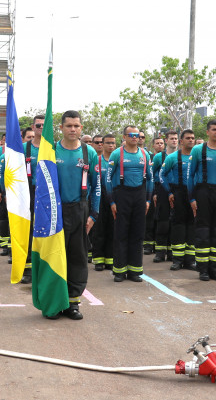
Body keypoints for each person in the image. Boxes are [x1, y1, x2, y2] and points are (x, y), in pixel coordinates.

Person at [51, 110, 100, 319]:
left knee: (77, 258)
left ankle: (72, 303)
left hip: (80, 210)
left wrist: (94, 215)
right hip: (55, 211)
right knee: (54, 257)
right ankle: (53, 303)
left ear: (81, 128)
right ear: (60, 128)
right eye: (69, 125)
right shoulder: (51, 151)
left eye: (76, 126)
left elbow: (96, 186)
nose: (73, 129)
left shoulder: (90, 153)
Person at [187, 119, 216, 281]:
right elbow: (190, 175)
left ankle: (215, 269)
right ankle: (203, 270)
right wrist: (192, 197)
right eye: (214, 130)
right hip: (203, 192)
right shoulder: (197, 150)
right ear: (207, 132)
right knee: (203, 231)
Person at [106, 125, 153, 282]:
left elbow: (151, 179)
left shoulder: (145, 154)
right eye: (131, 135)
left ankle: (135, 270)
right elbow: (107, 179)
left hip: (140, 195)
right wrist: (111, 200)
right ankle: (119, 271)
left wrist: (147, 199)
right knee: (121, 233)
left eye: (137, 135)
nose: (135, 137)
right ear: (124, 137)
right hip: (122, 195)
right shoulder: (116, 154)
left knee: (138, 233)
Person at [161, 129, 197, 271]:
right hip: (178, 194)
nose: (191, 140)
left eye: (192, 138)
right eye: (187, 138)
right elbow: (161, 175)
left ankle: (190, 260)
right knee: (178, 226)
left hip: (194, 195)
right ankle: (177, 260)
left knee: (192, 226)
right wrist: (169, 192)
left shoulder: (198, 157)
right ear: (181, 141)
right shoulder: (172, 158)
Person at [21, 115, 45, 284]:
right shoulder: (23, 148)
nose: (41, 128)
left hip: (47, 195)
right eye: (38, 125)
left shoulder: (54, 148)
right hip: (28, 192)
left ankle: (44, 268)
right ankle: (28, 269)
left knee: (46, 231)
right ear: (33, 127)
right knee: (27, 231)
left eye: (44, 125)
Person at [92, 133, 116, 272]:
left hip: (114, 198)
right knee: (99, 229)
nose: (110, 145)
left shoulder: (117, 160)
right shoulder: (98, 160)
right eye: (107, 143)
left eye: (113, 143)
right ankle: (99, 260)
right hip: (100, 197)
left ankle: (110, 259)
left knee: (113, 228)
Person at [151, 136, 171, 263]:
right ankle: (160, 252)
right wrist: (154, 193)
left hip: (176, 191)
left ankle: (171, 252)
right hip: (161, 191)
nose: (174, 140)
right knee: (162, 222)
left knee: (174, 223)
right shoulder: (159, 157)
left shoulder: (181, 155)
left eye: (176, 138)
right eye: (171, 138)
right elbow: (151, 176)